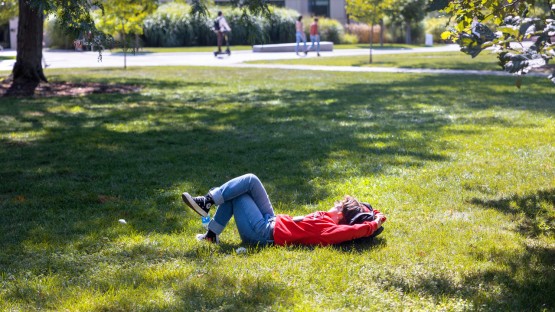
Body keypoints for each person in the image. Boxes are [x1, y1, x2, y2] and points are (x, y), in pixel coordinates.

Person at [182, 173, 387, 246]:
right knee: (250, 181)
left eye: (339, 205)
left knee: (238, 194)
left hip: (263, 232)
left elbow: (354, 230)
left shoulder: (329, 231)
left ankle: (207, 207)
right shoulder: (327, 217)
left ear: (341, 214)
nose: (335, 203)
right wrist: (377, 214)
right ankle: (210, 223)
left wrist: (373, 223)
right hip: (271, 219)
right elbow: (371, 213)